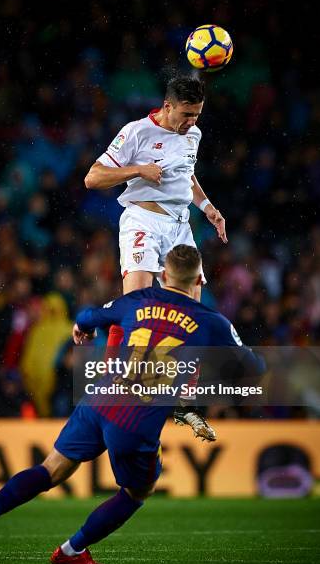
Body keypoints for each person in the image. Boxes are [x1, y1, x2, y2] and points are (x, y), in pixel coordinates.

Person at [0, 245, 264, 564]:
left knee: (51, 468)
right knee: (138, 491)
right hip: (134, 419)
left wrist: (83, 329)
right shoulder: (212, 322)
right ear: (199, 282)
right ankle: (71, 550)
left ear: (163, 275)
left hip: (99, 400)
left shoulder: (138, 301)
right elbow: (254, 368)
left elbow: (86, 316)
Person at [85, 73, 226, 439]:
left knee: (192, 313)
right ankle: (113, 381)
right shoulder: (135, 133)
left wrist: (208, 207)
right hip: (144, 220)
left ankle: (185, 403)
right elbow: (93, 177)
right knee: (135, 301)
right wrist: (138, 170)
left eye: (197, 114)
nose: (192, 121)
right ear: (167, 107)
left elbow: (186, 175)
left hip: (181, 227)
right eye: (186, 113)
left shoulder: (192, 134)